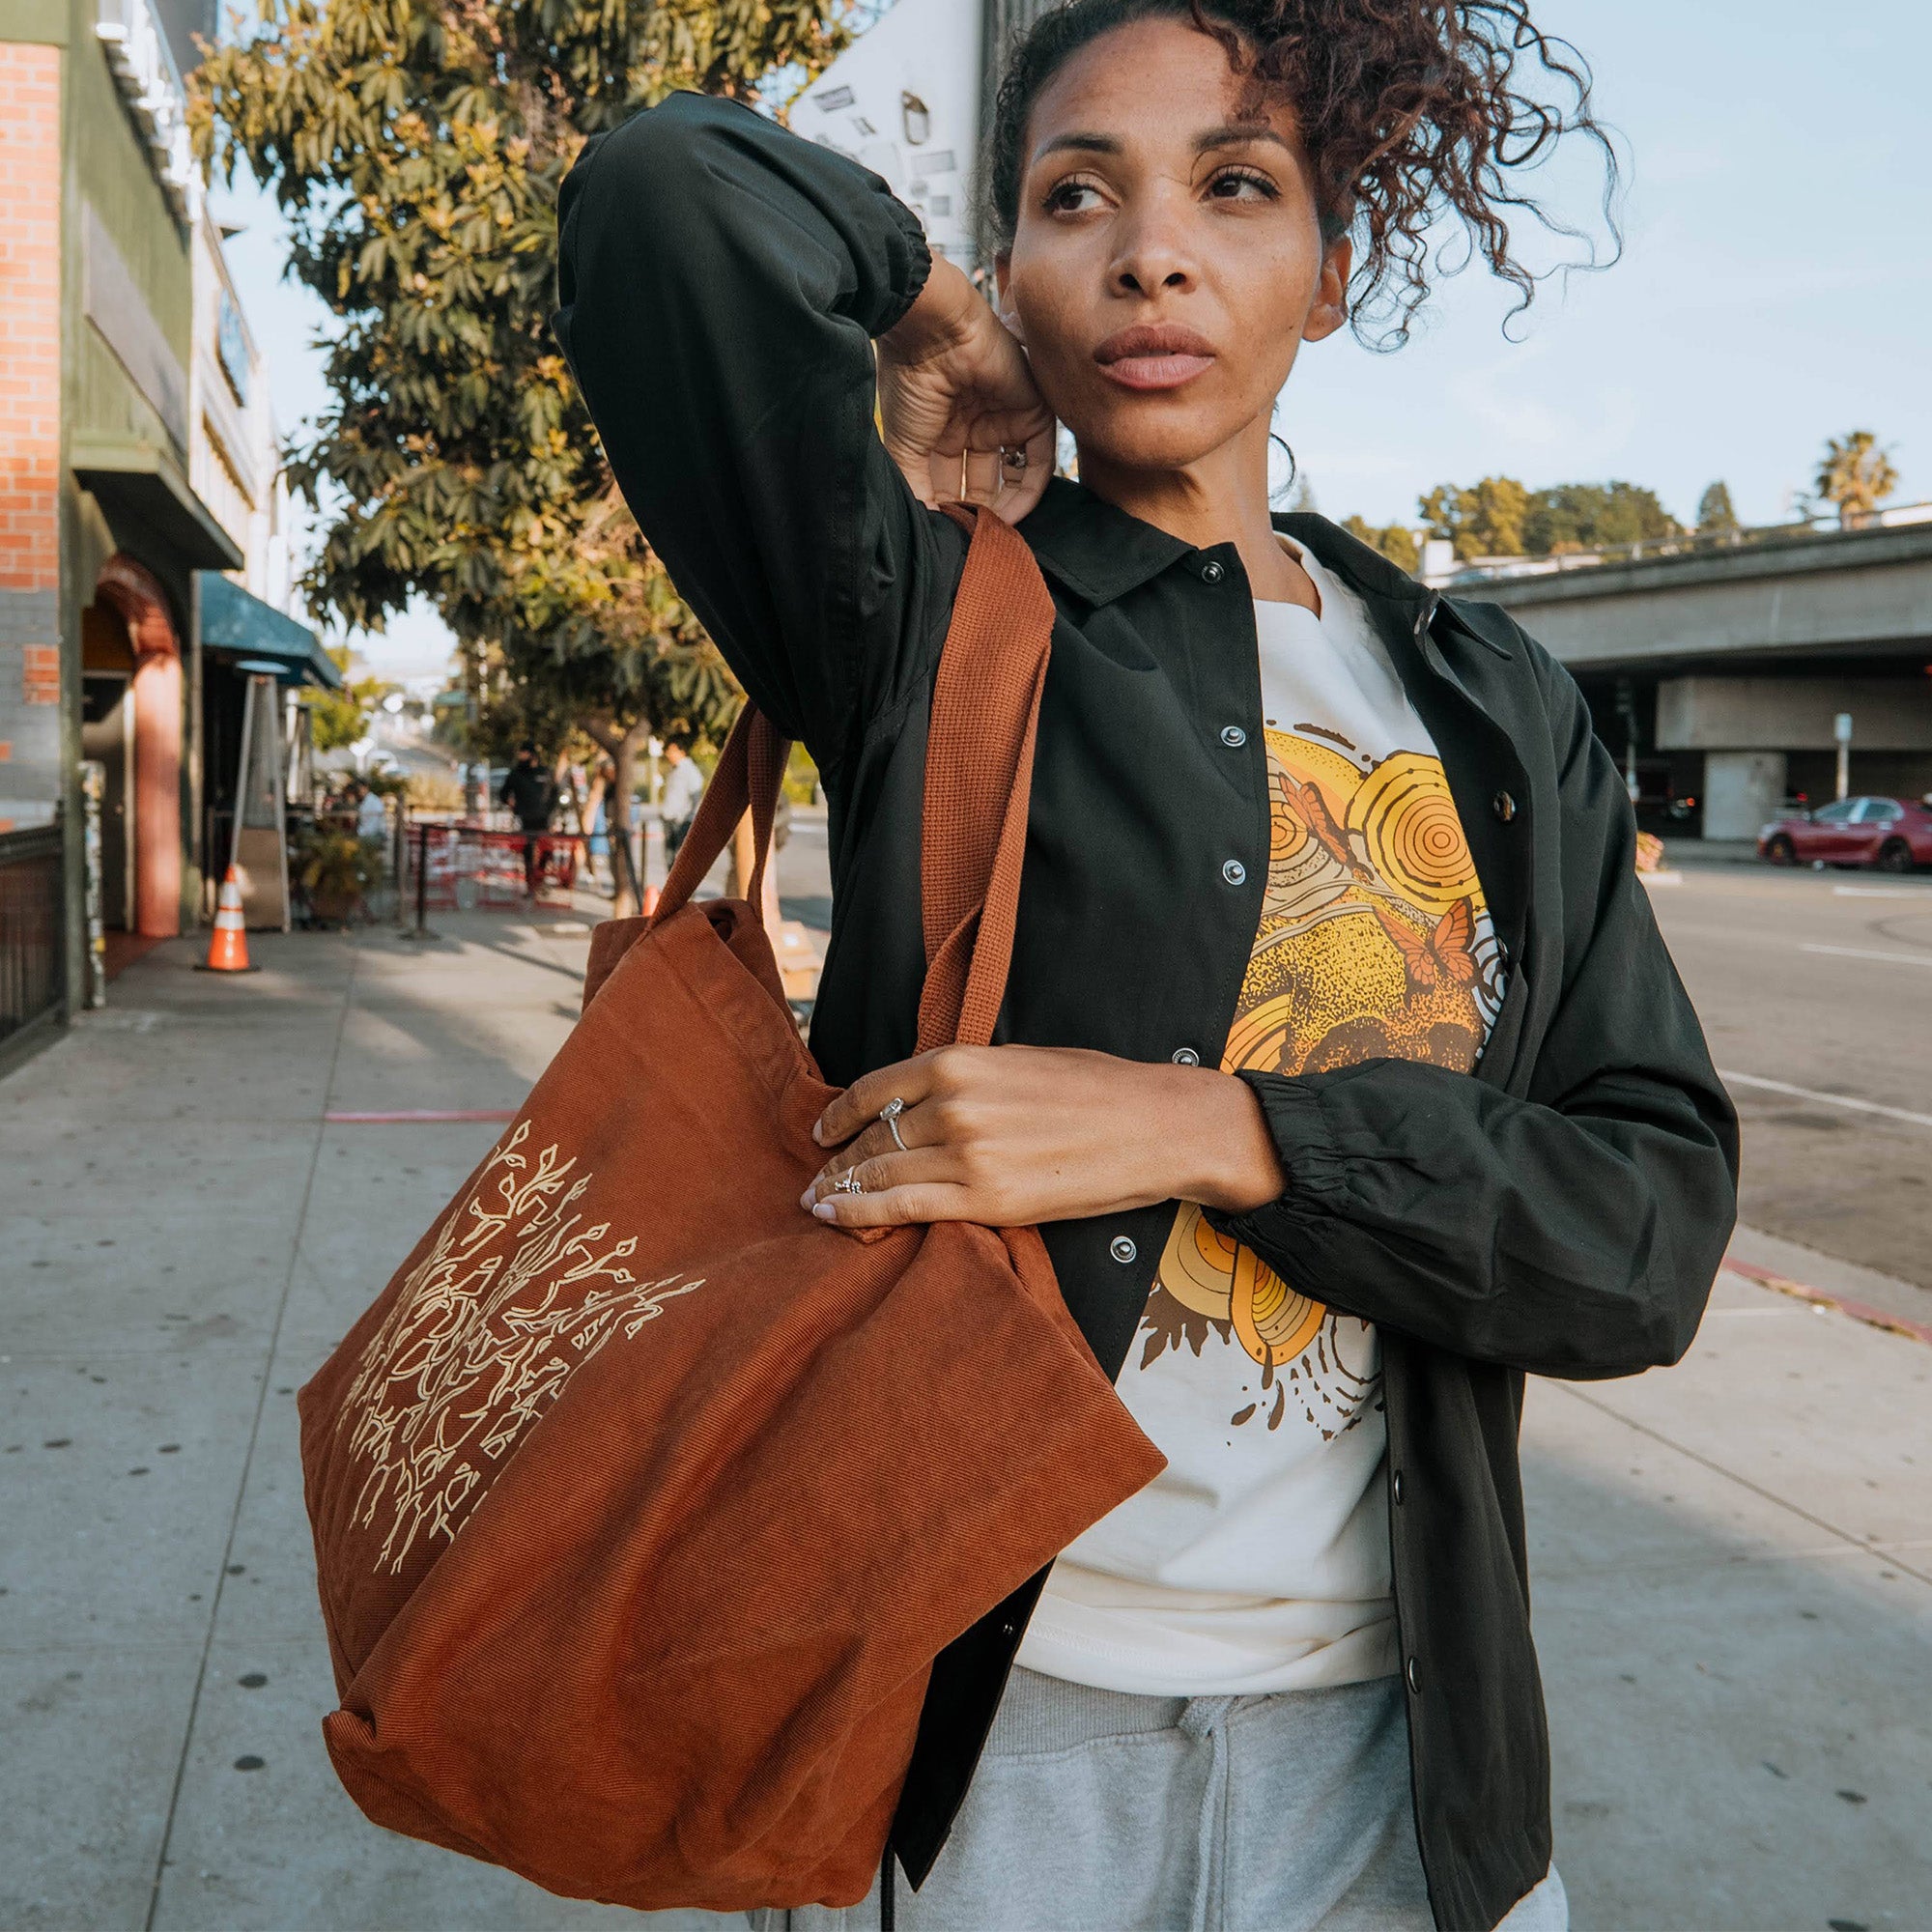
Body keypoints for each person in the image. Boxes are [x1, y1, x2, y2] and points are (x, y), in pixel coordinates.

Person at [554, 3, 1739, 1926]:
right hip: (982, 1745)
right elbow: (654, 197)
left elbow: (1645, 1228)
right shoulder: (933, 613)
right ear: (1017, 260)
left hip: (1398, 1761)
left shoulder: (1494, 704)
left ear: (1331, 275)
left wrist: (1211, 1127)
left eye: (1234, 187)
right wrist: (924, 312)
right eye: (1073, 196)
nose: (1150, 249)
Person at [498, 742, 555, 897]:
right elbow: (503, 794)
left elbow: (554, 794)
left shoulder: (545, 772)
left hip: (544, 820)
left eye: (524, 753)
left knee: (547, 852)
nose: (521, 756)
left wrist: (551, 814)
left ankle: (540, 881)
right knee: (528, 853)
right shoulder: (516, 774)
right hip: (525, 820)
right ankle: (531, 886)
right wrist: (512, 803)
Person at [660, 738, 705, 863]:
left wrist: (684, 817)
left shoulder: (689, 770)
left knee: (680, 860)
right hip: (670, 820)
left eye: (672, 751)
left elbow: (695, 796)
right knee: (670, 859)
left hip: (681, 822)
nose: (669, 754)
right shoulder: (674, 770)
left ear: (682, 752)